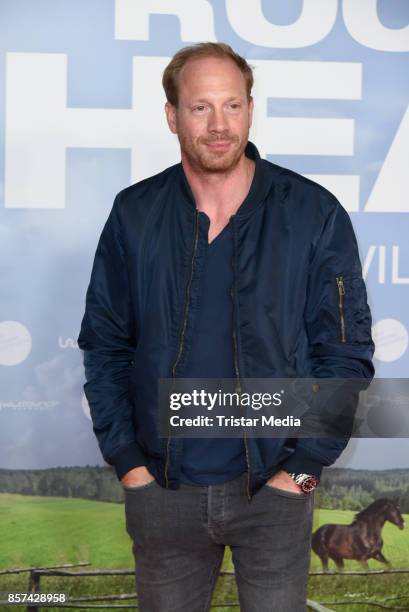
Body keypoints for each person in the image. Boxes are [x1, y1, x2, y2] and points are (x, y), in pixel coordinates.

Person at [77, 42, 375, 612]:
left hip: (275, 493)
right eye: (200, 108)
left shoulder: (313, 213)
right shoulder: (134, 214)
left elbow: (345, 354)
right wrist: (129, 464)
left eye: (232, 106)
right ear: (172, 115)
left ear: (251, 109)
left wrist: (304, 470)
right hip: (162, 493)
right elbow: (106, 345)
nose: (220, 126)